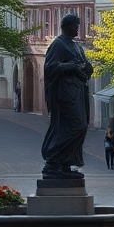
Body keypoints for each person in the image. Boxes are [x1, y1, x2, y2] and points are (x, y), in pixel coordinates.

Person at [40, 13, 93, 179]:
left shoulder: (76, 46)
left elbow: (83, 64)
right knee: (76, 126)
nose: (78, 29)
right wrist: (71, 66)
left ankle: (64, 163)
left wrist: (87, 68)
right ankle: (52, 159)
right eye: (75, 26)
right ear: (65, 26)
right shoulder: (58, 44)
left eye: (78, 26)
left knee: (81, 126)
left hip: (77, 91)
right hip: (64, 94)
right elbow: (50, 67)